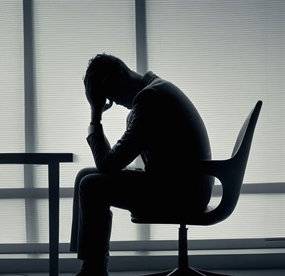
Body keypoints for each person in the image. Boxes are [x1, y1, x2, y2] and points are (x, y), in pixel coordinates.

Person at [70, 53, 213, 276]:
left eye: (109, 94)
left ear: (119, 75)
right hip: (183, 184)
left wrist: (95, 114)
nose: (112, 102)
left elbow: (108, 164)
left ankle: (94, 269)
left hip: (183, 193)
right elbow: (110, 163)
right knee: (84, 176)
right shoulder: (154, 90)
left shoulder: (150, 100)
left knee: (91, 185)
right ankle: (90, 264)